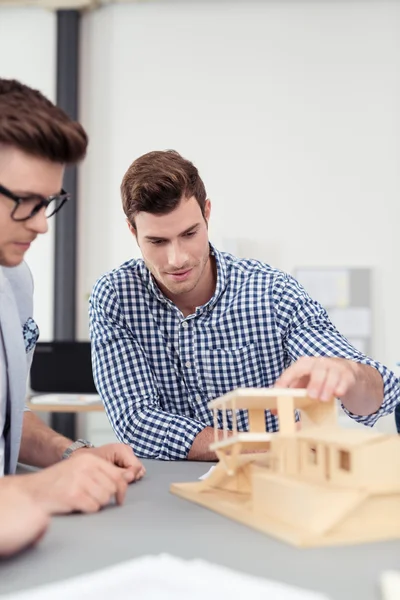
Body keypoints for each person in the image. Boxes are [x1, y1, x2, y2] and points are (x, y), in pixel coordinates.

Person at [89, 150, 400, 462]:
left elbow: (378, 397)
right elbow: (136, 422)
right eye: (157, 242)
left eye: (189, 234)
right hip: (165, 494)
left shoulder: (272, 292)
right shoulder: (115, 297)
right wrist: (271, 443)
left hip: (269, 489)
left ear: (207, 213)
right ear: (133, 231)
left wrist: (350, 374)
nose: (177, 258)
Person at [0, 78, 145, 555]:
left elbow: (7, 422)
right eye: (24, 201)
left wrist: (72, 454)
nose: (41, 224)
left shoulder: (13, 280)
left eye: (49, 203)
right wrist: (36, 491)